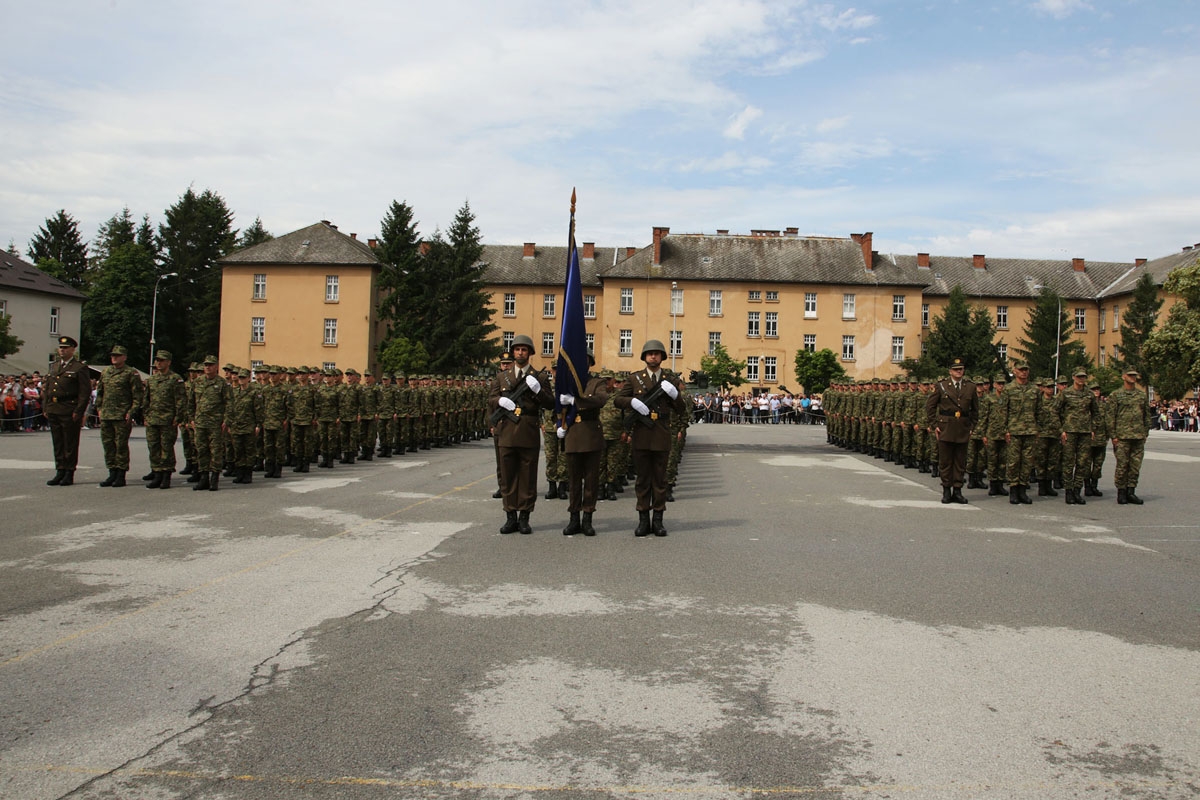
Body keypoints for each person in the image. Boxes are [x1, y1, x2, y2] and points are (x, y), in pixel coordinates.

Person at [614, 339, 688, 536]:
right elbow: (617, 400)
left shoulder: (670, 380)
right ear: (644, 357)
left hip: (661, 434)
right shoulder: (634, 378)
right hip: (642, 434)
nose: (653, 356)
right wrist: (632, 401)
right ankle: (643, 520)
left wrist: (675, 396)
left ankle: (658, 520)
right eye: (650, 353)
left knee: (660, 480)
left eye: (656, 353)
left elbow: (681, 409)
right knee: (642, 480)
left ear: (662, 357)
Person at [488, 335, 554, 534]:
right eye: (517, 349)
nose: (520, 353)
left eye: (524, 349)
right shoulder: (502, 377)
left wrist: (538, 391)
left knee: (527, 476)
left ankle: (524, 517)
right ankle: (510, 516)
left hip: (528, 430)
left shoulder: (539, 377)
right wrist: (499, 401)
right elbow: (491, 399)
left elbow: (550, 403)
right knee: (508, 476)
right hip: (507, 431)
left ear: (530, 353)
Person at [557, 355, 609, 536]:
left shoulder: (596, 382)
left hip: (591, 434)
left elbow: (601, 399)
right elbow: (558, 404)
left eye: (585, 360)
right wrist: (559, 424)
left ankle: (587, 517)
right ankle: (574, 518)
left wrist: (576, 401)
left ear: (589, 364)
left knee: (591, 480)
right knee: (573, 481)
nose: (581, 362)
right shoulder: (566, 383)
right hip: (572, 434)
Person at [925, 357, 977, 504]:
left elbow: (975, 410)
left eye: (961, 369)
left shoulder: (970, 387)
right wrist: (934, 424)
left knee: (960, 462)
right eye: (956, 369)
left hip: (963, 428)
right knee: (946, 461)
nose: (959, 371)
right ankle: (947, 490)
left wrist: (972, 427)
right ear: (950, 371)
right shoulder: (941, 386)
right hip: (946, 428)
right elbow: (930, 406)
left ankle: (958, 490)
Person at [44, 336, 92, 486]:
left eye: (65, 348)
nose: (62, 350)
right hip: (54, 408)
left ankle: (69, 472)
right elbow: (47, 388)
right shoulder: (54, 366)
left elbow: (84, 392)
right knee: (58, 442)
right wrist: (46, 407)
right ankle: (60, 469)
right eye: (61, 348)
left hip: (69, 408)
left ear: (72, 349)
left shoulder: (79, 367)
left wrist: (79, 411)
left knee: (70, 442)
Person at [95, 345, 144, 487]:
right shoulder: (106, 372)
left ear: (124, 357)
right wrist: (99, 408)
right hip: (106, 414)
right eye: (112, 355)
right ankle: (112, 472)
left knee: (121, 445)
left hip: (122, 415)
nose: (114, 357)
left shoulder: (131, 373)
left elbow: (137, 395)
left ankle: (121, 474)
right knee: (108, 445)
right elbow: (100, 392)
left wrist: (131, 411)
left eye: (117, 355)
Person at [997, 362, 1040, 505]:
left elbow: (1039, 411)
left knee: (1027, 463)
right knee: (1013, 462)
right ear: (1015, 371)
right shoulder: (1008, 389)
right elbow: (1002, 411)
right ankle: (1013, 490)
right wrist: (1005, 430)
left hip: (1030, 431)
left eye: (1026, 370)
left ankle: (1023, 490)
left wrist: (1038, 429)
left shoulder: (1034, 389)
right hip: (1014, 431)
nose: (1024, 372)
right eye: (1021, 370)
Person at [142, 350, 186, 489]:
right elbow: (146, 400)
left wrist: (177, 417)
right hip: (153, 419)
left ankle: (166, 475)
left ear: (168, 362)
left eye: (161, 360)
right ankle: (157, 474)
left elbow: (180, 400)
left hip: (168, 419)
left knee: (166, 448)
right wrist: (146, 416)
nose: (158, 363)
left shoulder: (175, 379)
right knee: (153, 447)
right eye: (157, 360)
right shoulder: (152, 380)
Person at [190, 355, 234, 491]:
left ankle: (214, 478)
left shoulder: (222, 383)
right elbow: (191, 402)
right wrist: (191, 419)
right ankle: (204, 478)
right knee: (201, 450)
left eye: (210, 365)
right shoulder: (197, 382)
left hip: (216, 423)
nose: (207, 367)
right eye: (206, 365)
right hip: (200, 422)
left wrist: (226, 420)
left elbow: (229, 403)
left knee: (215, 451)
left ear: (216, 366)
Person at [1108, 368, 1152, 505]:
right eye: (1130, 375)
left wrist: (1145, 433)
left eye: (1134, 375)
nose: (1133, 377)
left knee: (1135, 466)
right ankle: (1121, 492)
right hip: (1122, 436)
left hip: (1138, 436)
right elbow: (1110, 416)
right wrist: (1113, 435)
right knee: (1122, 466)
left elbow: (1146, 415)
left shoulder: (1141, 395)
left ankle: (1131, 491)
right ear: (1123, 377)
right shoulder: (1116, 395)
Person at [1056, 369, 1098, 505]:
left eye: (1083, 377)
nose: (1081, 379)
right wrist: (1061, 430)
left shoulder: (1089, 394)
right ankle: (1068, 491)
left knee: (1082, 463)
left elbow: (1096, 413)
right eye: (1079, 377)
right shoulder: (1066, 393)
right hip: (1070, 432)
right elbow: (1055, 411)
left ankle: (1077, 491)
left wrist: (1093, 428)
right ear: (1073, 377)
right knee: (1068, 462)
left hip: (1085, 432)